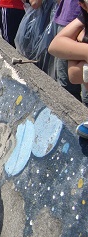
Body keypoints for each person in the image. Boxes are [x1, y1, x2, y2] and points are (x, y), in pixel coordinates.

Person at [48, 0, 88, 138]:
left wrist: (78, 48)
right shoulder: (83, 20)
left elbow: (75, 74)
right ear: (83, 5)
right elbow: (55, 46)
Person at [53, 0, 83, 102]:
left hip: (69, 18)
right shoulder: (81, 19)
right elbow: (54, 46)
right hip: (69, 19)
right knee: (66, 88)